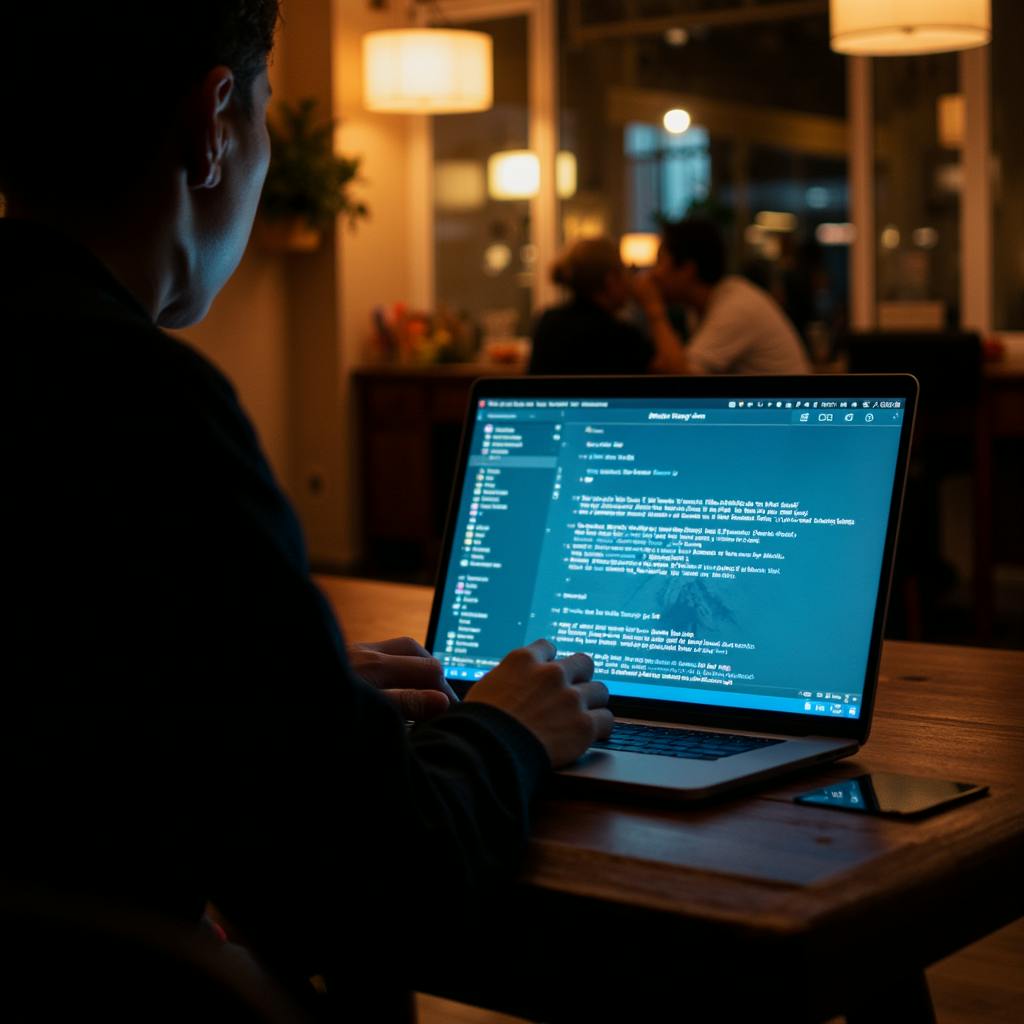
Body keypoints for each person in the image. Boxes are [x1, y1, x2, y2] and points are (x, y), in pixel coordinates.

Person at [0, 3, 611, 1019]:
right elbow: (378, 879)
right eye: (272, 117)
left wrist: (287, 686)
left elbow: (72, 704)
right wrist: (507, 727)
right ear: (214, 123)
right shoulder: (146, 406)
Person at [632, 219, 812, 375]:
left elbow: (682, 380)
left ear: (687, 269)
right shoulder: (705, 305)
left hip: (787, 411)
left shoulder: (735, 307)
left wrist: (653, 308)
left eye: (660, 260)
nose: (654, 274)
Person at [529, 237, 654, 374]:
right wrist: (654, 307)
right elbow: (672, 372)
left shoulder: (548, 323)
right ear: (611, 280)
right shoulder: (618, 336)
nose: (629, 280)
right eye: (624, 272)